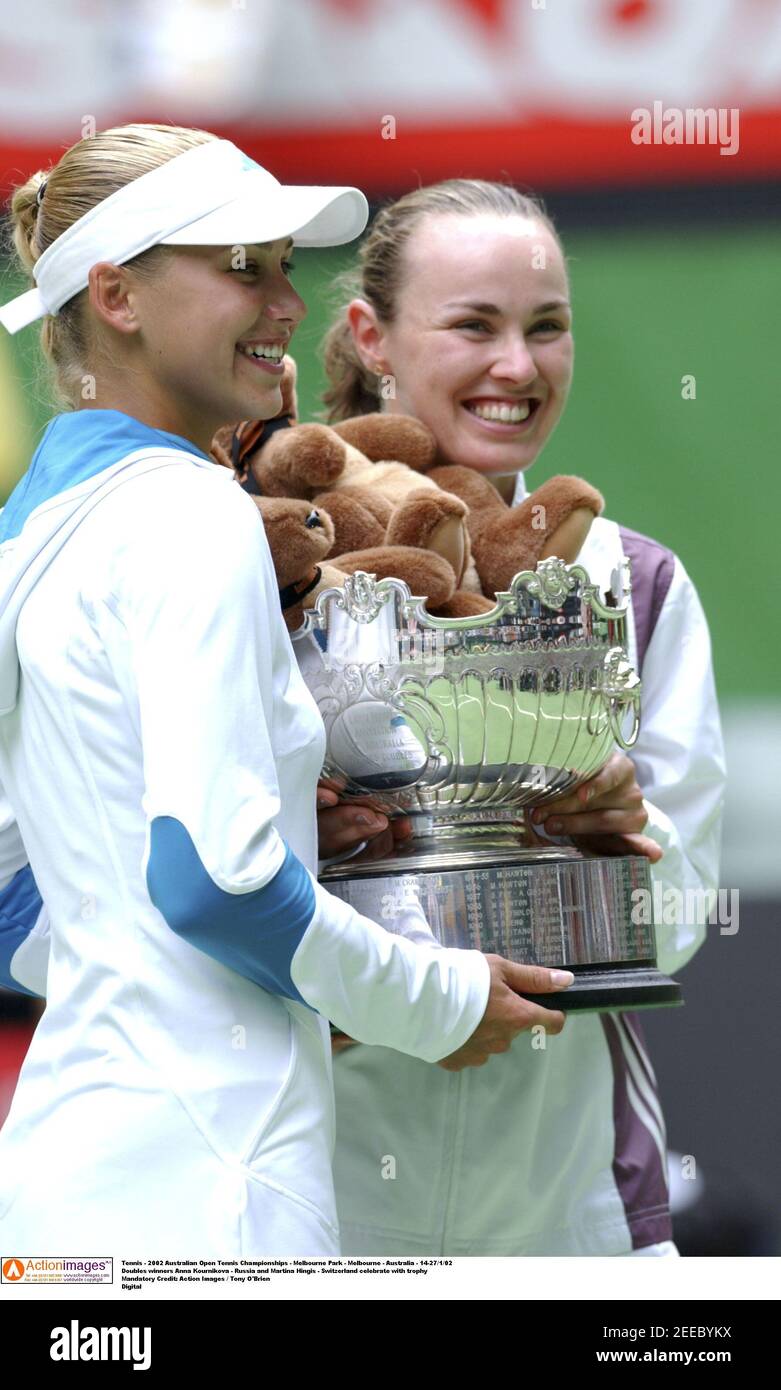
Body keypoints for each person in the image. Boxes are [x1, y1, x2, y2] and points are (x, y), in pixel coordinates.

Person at [0, 132, 576, 1260]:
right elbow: (217, 882)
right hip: (211, 1191)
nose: (285, 299)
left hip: (62, 1197)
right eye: (242, 266)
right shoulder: (193, 513)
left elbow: (18, 893)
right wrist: (431, 999)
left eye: (283, 264)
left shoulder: (26, 531)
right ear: (115, 294)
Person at [313, 179, 727, 1257]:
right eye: (473, 325)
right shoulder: (276, 568)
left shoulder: (633, 581)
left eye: (547, 328)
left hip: (571, 1211)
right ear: (372, 337)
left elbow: (680, 911)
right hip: (318, 1202)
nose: (518, 367)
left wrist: (619, 838)